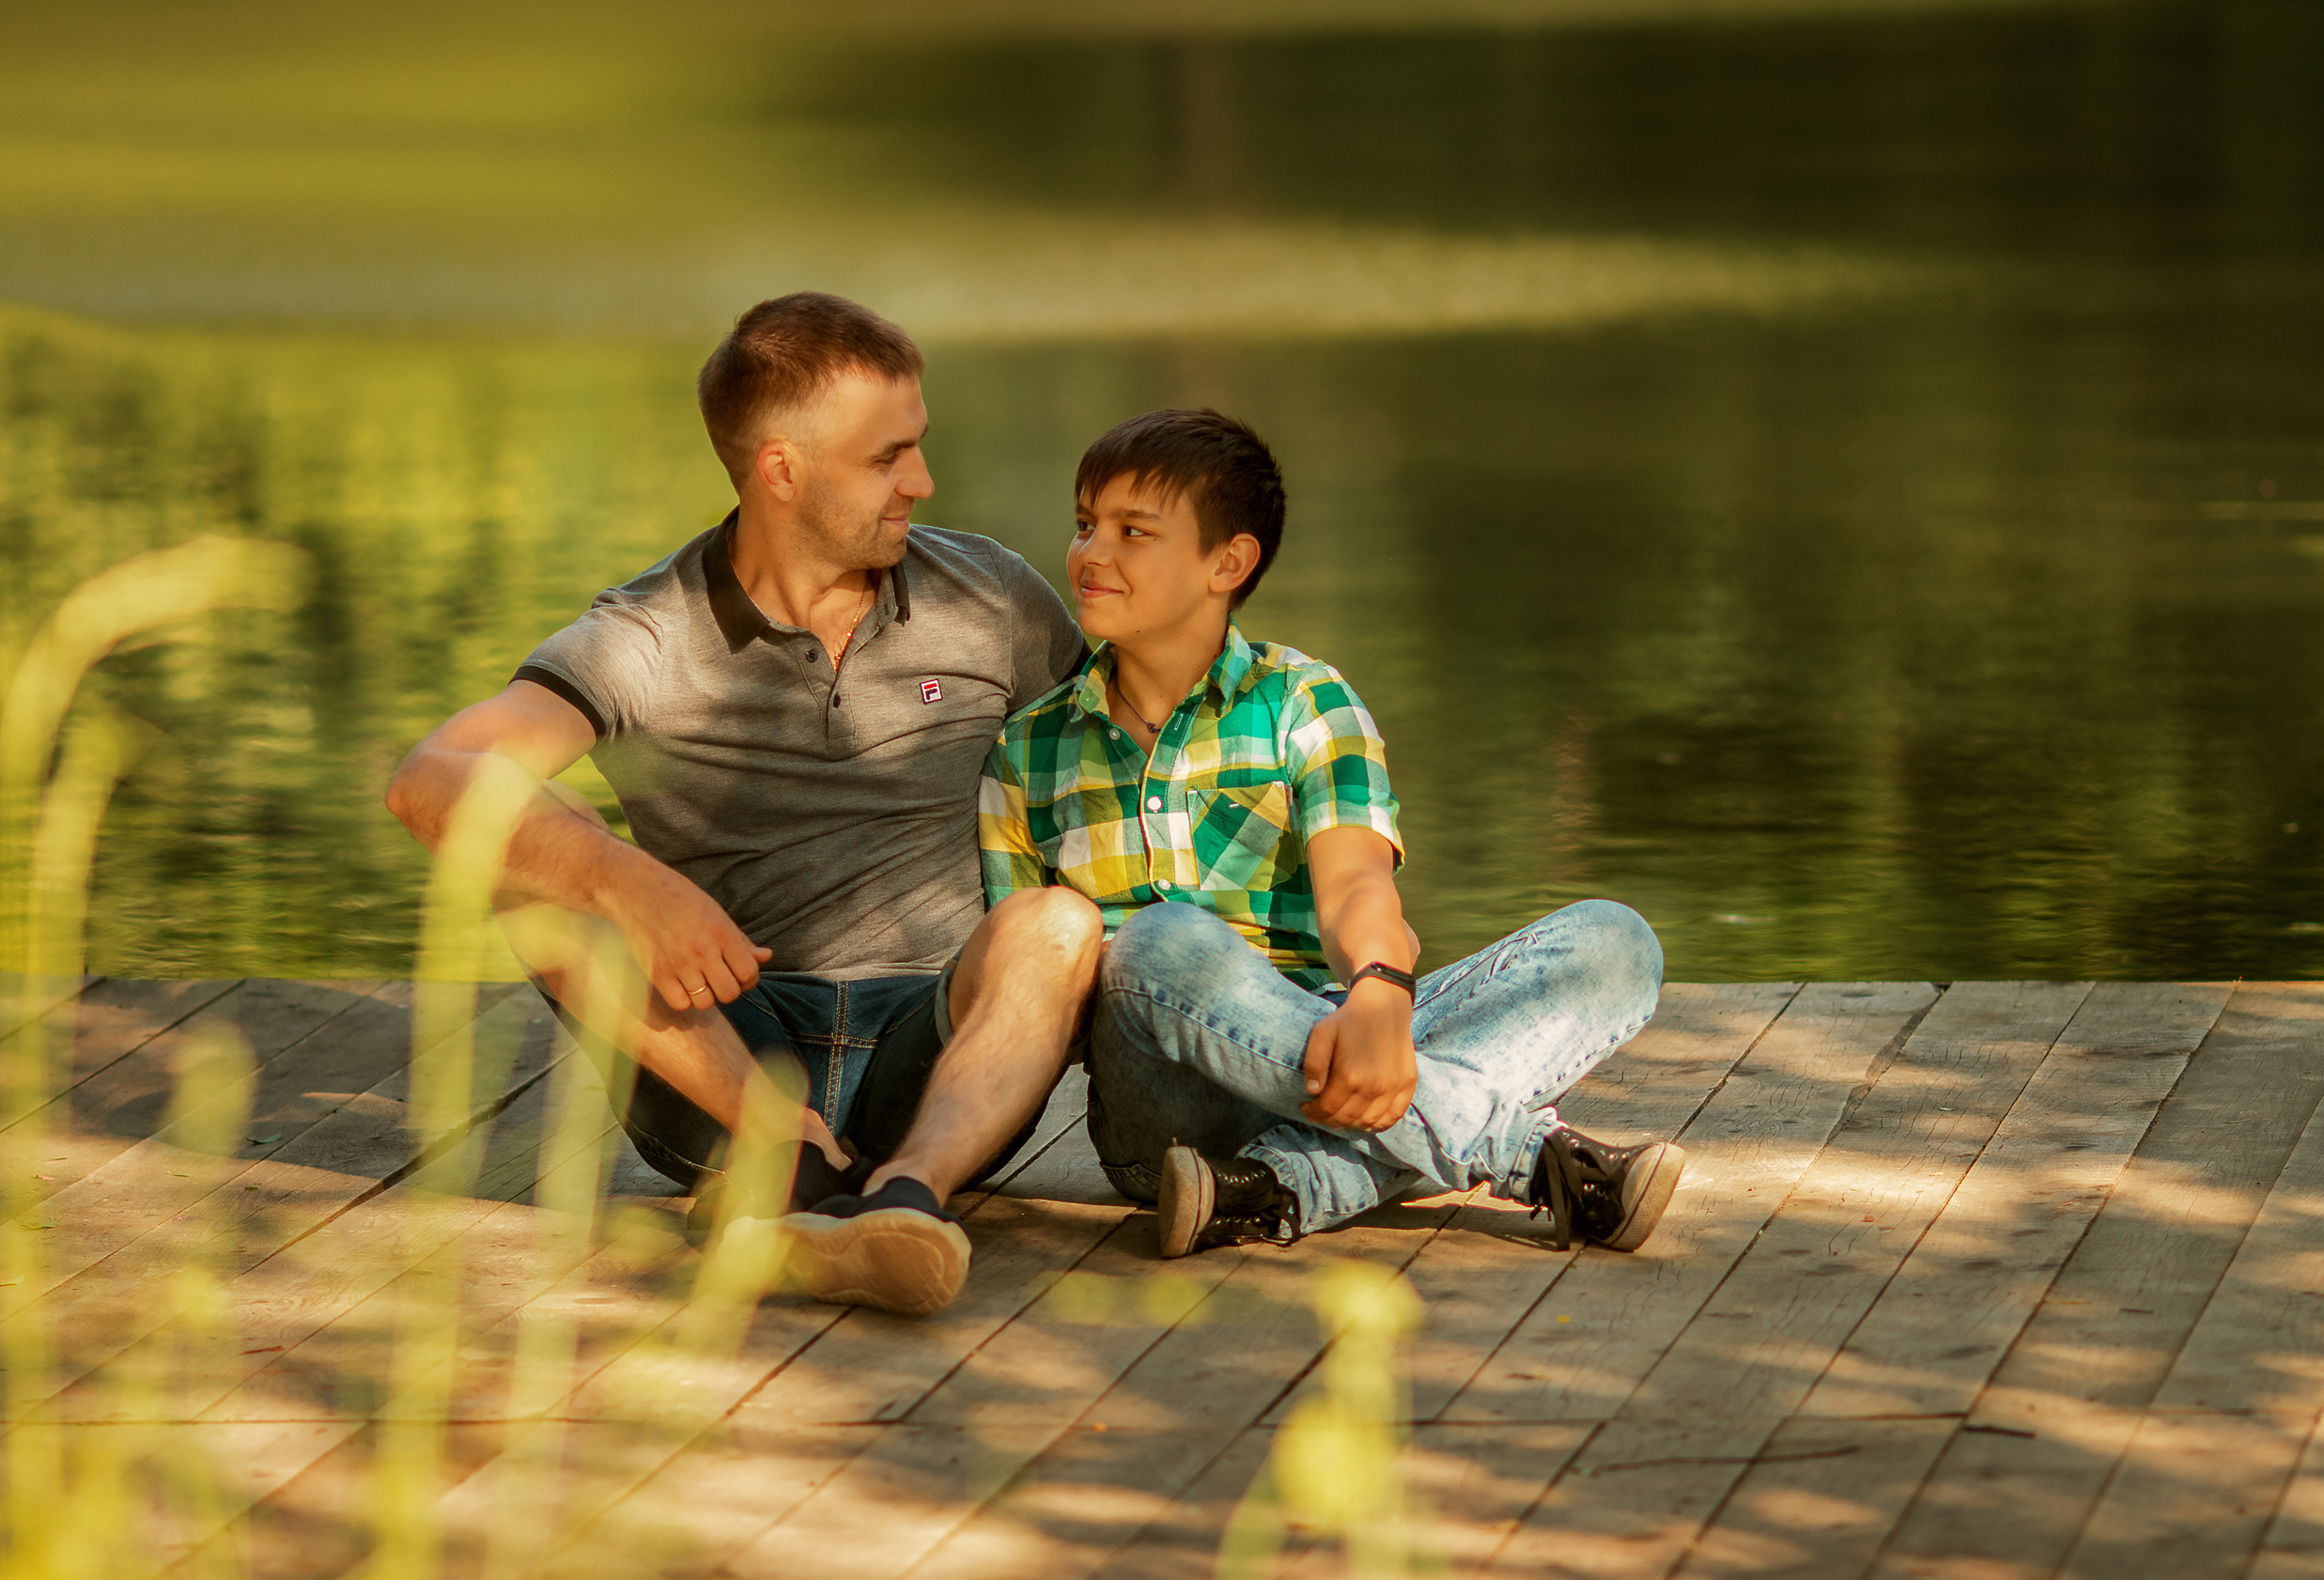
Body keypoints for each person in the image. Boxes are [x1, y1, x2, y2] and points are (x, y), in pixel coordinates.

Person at [386, 292, 1102, 1317]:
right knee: (529, 850)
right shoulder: (647, 635)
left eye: (917, 445)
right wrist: (627, 882)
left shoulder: (990, 595)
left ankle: (906, 1200)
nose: (922, 480)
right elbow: (429, 779)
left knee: (1057, 923)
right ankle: (782, 1161)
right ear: (781, 470)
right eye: (887, 457)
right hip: (721, 1057)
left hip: (937, 1059)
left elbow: (1134, 765)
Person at [978, 409, 1680, 1258]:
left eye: (1133, 531)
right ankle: (1529, 1157)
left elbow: (1355, 885)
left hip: (1329, 1038)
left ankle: (1278, 1186)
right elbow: (1034, 990)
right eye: (1086, 524)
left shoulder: (1307, 701)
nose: (1091, 553)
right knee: (1158, 941)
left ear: (1228, 562)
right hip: (1161, 1110)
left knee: (1615, 943)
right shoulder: (1027, 751)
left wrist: (1380, 994)